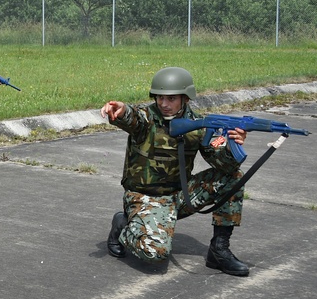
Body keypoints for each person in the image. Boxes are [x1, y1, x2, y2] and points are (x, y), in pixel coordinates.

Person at [101, 67, 249, 277]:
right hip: (144, 198)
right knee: (156, 254)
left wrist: (233, 145)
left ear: (185, 98)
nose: (164, 104)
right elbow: (132, 117)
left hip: (180, 196)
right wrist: (121, 110)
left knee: (233, 178)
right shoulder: (147, 118)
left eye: (171, 99)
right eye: (160, 98)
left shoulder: (199, 125)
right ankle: (123, 226)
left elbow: (224, 165)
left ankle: (219, 250)